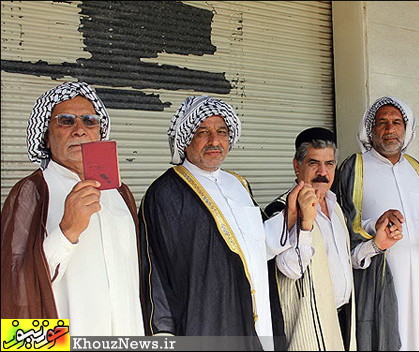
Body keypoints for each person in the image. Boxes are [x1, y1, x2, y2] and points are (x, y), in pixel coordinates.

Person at [138, 95, 285, 350]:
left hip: (256, 320)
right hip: (204, 326)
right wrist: (162, 334)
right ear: (186, 140)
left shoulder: (239, 183)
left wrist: (295, 214)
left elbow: (260, 244)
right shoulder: (165, 193)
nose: (214, 141)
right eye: (202, 132)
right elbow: (154, 271)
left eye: (221, 132)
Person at [0, 82, 144, 336]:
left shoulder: (120, 192)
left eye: (90, 121)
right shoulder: (32, 191)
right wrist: (67, 231)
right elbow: (13, 288)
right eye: (65, 121)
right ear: (45, 135)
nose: (80, 130)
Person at [335, 96, 419, 351]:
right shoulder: (355, 167)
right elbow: (343, 226)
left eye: (397, 122)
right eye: (382, 122)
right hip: (378, 282)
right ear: (370, 129)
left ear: (406, 130)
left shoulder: (416, 169)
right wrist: (377, 225)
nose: (390, 129)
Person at [264, 127, 356, 351]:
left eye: (330, 164)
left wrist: (376, 245)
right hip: (307, 330)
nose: (323, 172)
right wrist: (304, 224)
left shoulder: (337, 210)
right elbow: (291, 270)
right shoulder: (280, 212)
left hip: (343, 323)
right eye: (314, 163)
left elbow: (342, 261)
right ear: (297, 166)